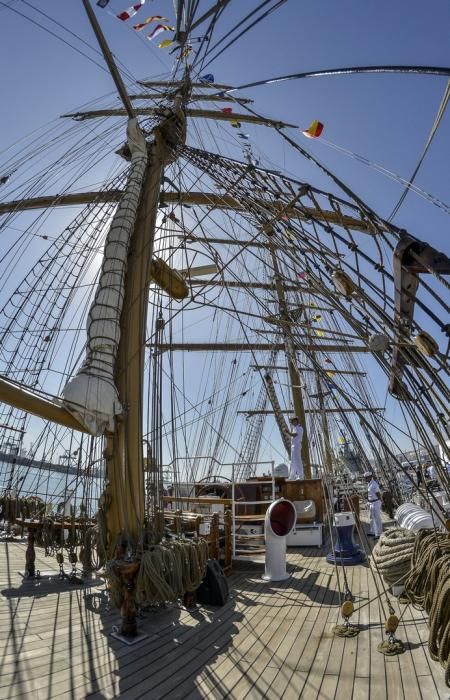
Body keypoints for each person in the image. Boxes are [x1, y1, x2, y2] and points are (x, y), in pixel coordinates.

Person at [364, 471, 383, 538]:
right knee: (371, 518)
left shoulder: (374, 484)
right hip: (371, 503)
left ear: (370, 477)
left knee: (377, 518)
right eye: (365, 478)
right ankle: (372, 532)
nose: (365, 479)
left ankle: (379, 533)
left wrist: (381, 502)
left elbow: (378, 494)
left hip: (376, 503)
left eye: (366, 478)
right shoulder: (369, 484)